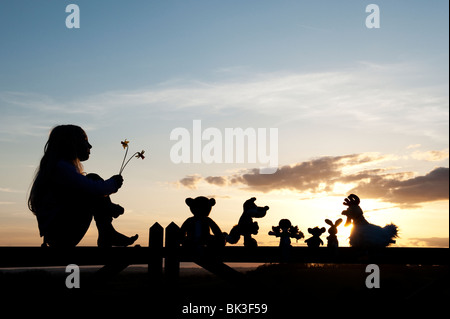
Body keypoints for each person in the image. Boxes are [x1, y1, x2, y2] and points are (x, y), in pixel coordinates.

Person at [28, 124, 138, 248]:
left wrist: (108, 205)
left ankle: (108, 232)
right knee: (92, 179)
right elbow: (92, 189)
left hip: (57, 233)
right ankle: (107, 233)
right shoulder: (61, 168)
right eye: (85, 141)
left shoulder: (56, 168)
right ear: (71, 143)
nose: (90, 146)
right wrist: (114, 183)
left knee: (92, 182)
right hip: (62, 233)